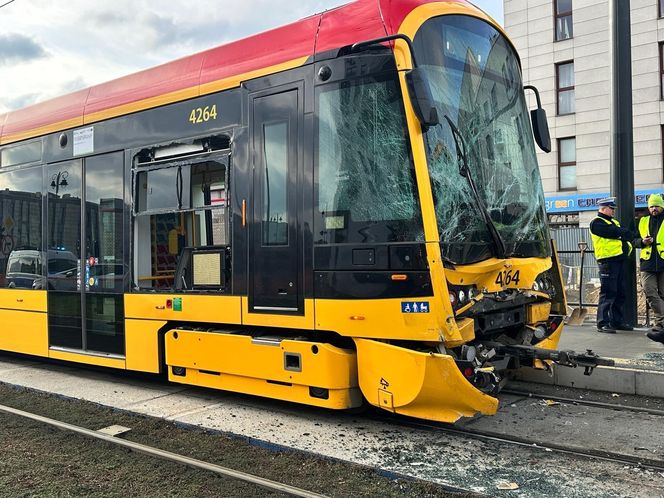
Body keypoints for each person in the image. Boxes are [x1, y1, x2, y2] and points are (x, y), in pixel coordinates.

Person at [589, 197, 633, 333]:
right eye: (611, 209)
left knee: (620, 292)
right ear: (603, 208)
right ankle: (602, 323)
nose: (613, 211)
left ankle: (616, 322)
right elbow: (614, 232)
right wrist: (621, 233)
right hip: (607, 261)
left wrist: (622, 234)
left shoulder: (613, 222)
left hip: (618, 260)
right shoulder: (596, 223)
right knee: (608, 292)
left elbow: (622, 234)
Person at [634, 193, 664, 345]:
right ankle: (661, 321)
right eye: (651, 206)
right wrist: (642, 242)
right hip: (647, 263)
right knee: (650, 291)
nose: (653, 209)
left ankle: (659, 324)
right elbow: (633, 239)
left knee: (663, 294)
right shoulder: (642, 221)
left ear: (662, 206)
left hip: (663, 262)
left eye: (656, 206)